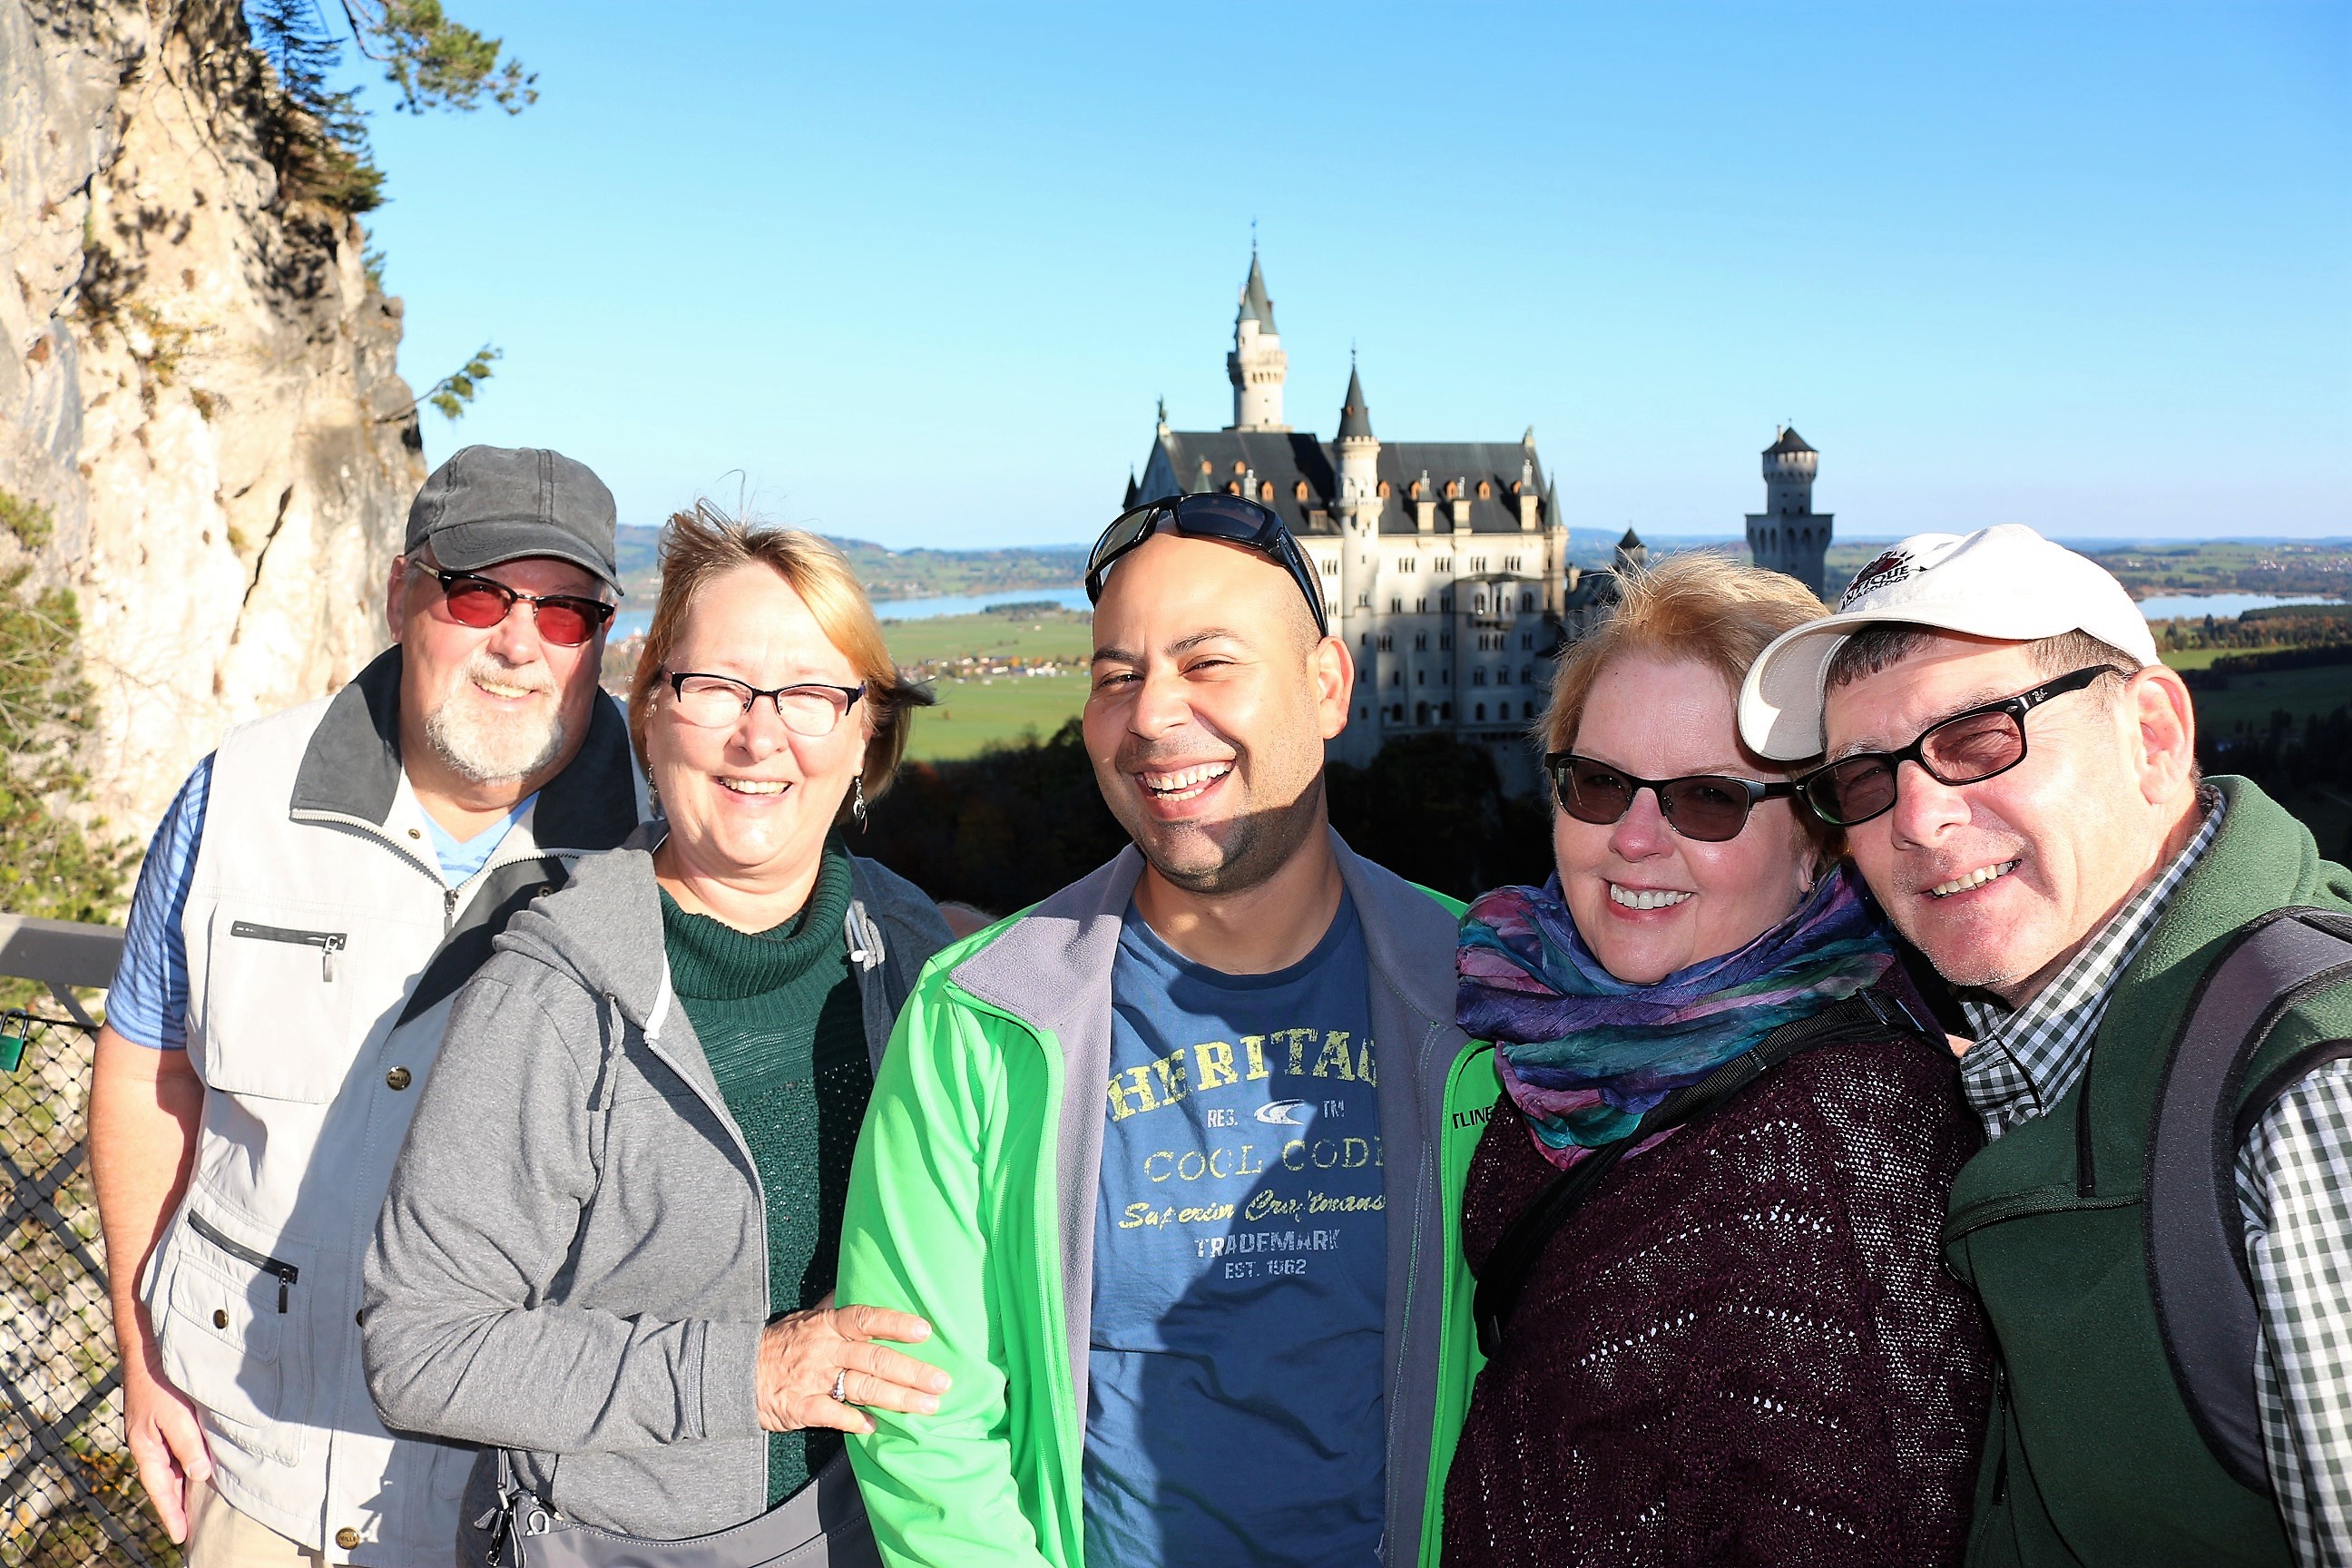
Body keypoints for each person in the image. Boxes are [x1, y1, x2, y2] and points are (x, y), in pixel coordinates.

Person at [835, 493, 1500, 1568]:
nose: (1150, 716)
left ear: (1327, 687)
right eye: (1116, 676)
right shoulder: (977, 1023)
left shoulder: (1487, 1003)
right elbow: (923, 1419)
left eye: (1208, 662)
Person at [1739, 524, 2352, 1568]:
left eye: (1979, 738)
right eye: (1864, 780)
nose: (1919, 822)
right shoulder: (2043, 1043)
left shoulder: (2306, 1099)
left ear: (2155, 737)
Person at [361, 506, 956, 1566]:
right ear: (648, 715)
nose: (759, 736)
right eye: (715, 686)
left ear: (867, 731)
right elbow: (421, 1346)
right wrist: (756, 1377)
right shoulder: (552, 991)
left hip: (880, 1532)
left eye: (812, 693)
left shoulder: (909, 951)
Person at [85, 445, 644, 1564]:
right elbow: (151, 1068)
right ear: (403, 595)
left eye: (568, 613)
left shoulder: (664, 843)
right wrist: (141, 1350)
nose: (519, 644)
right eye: (479, 592)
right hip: (252, 1462)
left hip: (534, 1509)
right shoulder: (234, 800)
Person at [1444, 554, 1990, 1567]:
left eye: (1707, 800)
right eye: (1599, 784)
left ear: (1817, 846)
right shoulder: (1549, 1025)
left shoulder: (1844, 1140)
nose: (1635, 840)